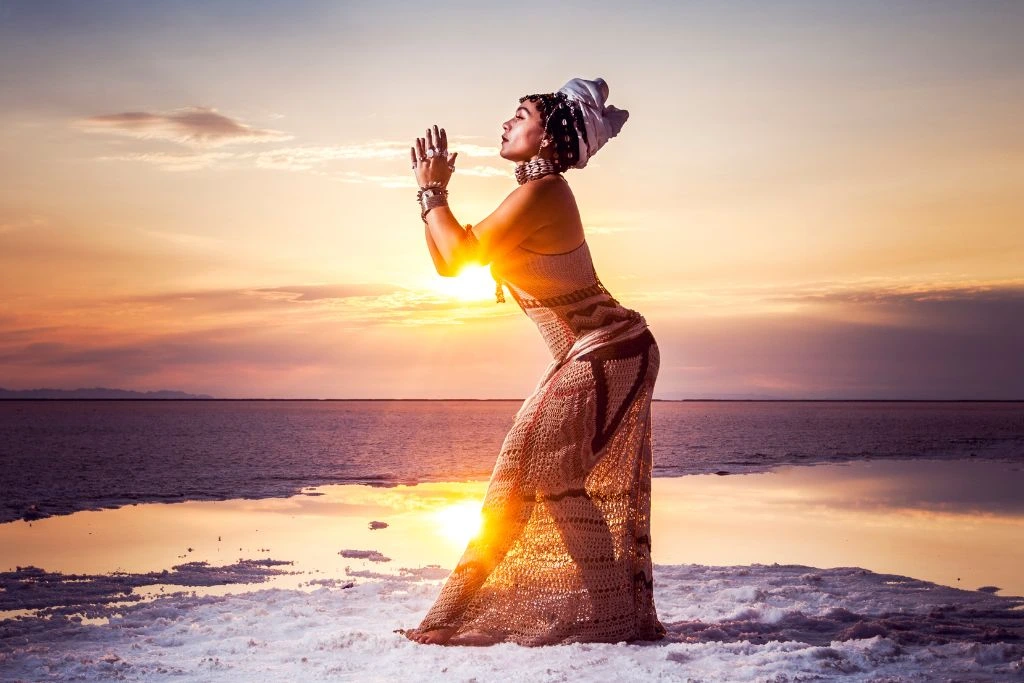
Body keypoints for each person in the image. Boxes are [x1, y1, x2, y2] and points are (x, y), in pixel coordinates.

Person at [399, 77, 665, 647]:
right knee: (548, 475)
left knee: (539, 469)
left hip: (609, 347)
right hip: (597, 350)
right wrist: (431, 200)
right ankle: (612, 614)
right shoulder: (533, 194)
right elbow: (452, 263)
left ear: (550, 137)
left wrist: (433, 193)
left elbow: (462, 252)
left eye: (519, 115)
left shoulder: (545, 194)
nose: (506, 122)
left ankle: (613, 615)